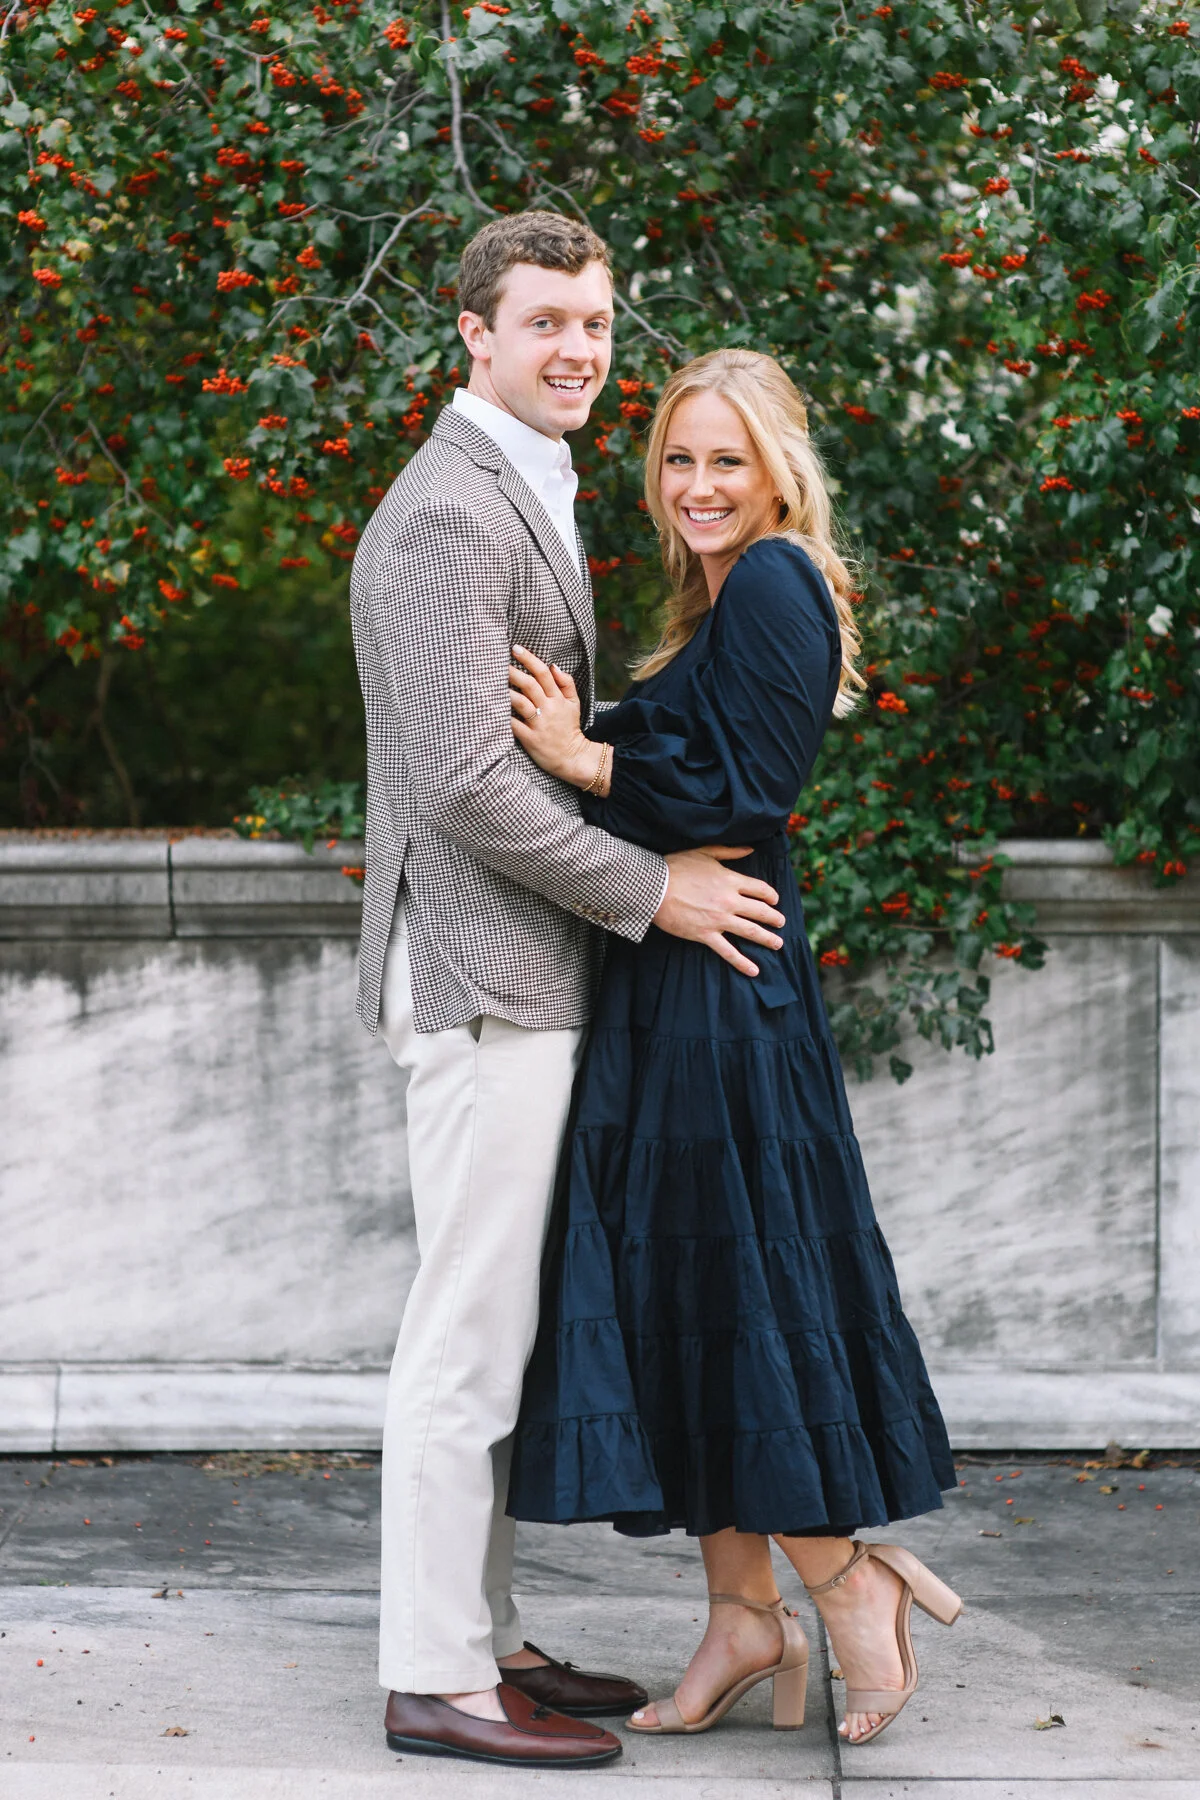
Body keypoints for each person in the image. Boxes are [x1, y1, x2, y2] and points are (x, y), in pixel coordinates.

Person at [348, 215, 789, 1770]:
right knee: (465, 1337)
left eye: (594, 323)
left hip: (531, 971)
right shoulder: (443, 513)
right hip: (484, 974)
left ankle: (485, 1636)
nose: (578, 349)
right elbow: (467, 786)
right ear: (474, 333)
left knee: (504, 1325)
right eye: (544, 322)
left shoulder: (525, 482)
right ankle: (433, 1677)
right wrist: (657, 890)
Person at [506, 347, 961, 1748]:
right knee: (687, 1291)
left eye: (727, 460)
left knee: (732, 1288)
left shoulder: (772, 577)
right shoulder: (715, 599)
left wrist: (589, 759)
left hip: (724, 987)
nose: (699, 485)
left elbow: (752, 788)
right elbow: (704, 761)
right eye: (680, 460)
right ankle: (740, 1617)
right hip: (681, 972)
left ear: (777, 471)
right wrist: (612, 744)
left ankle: (850, 1580)